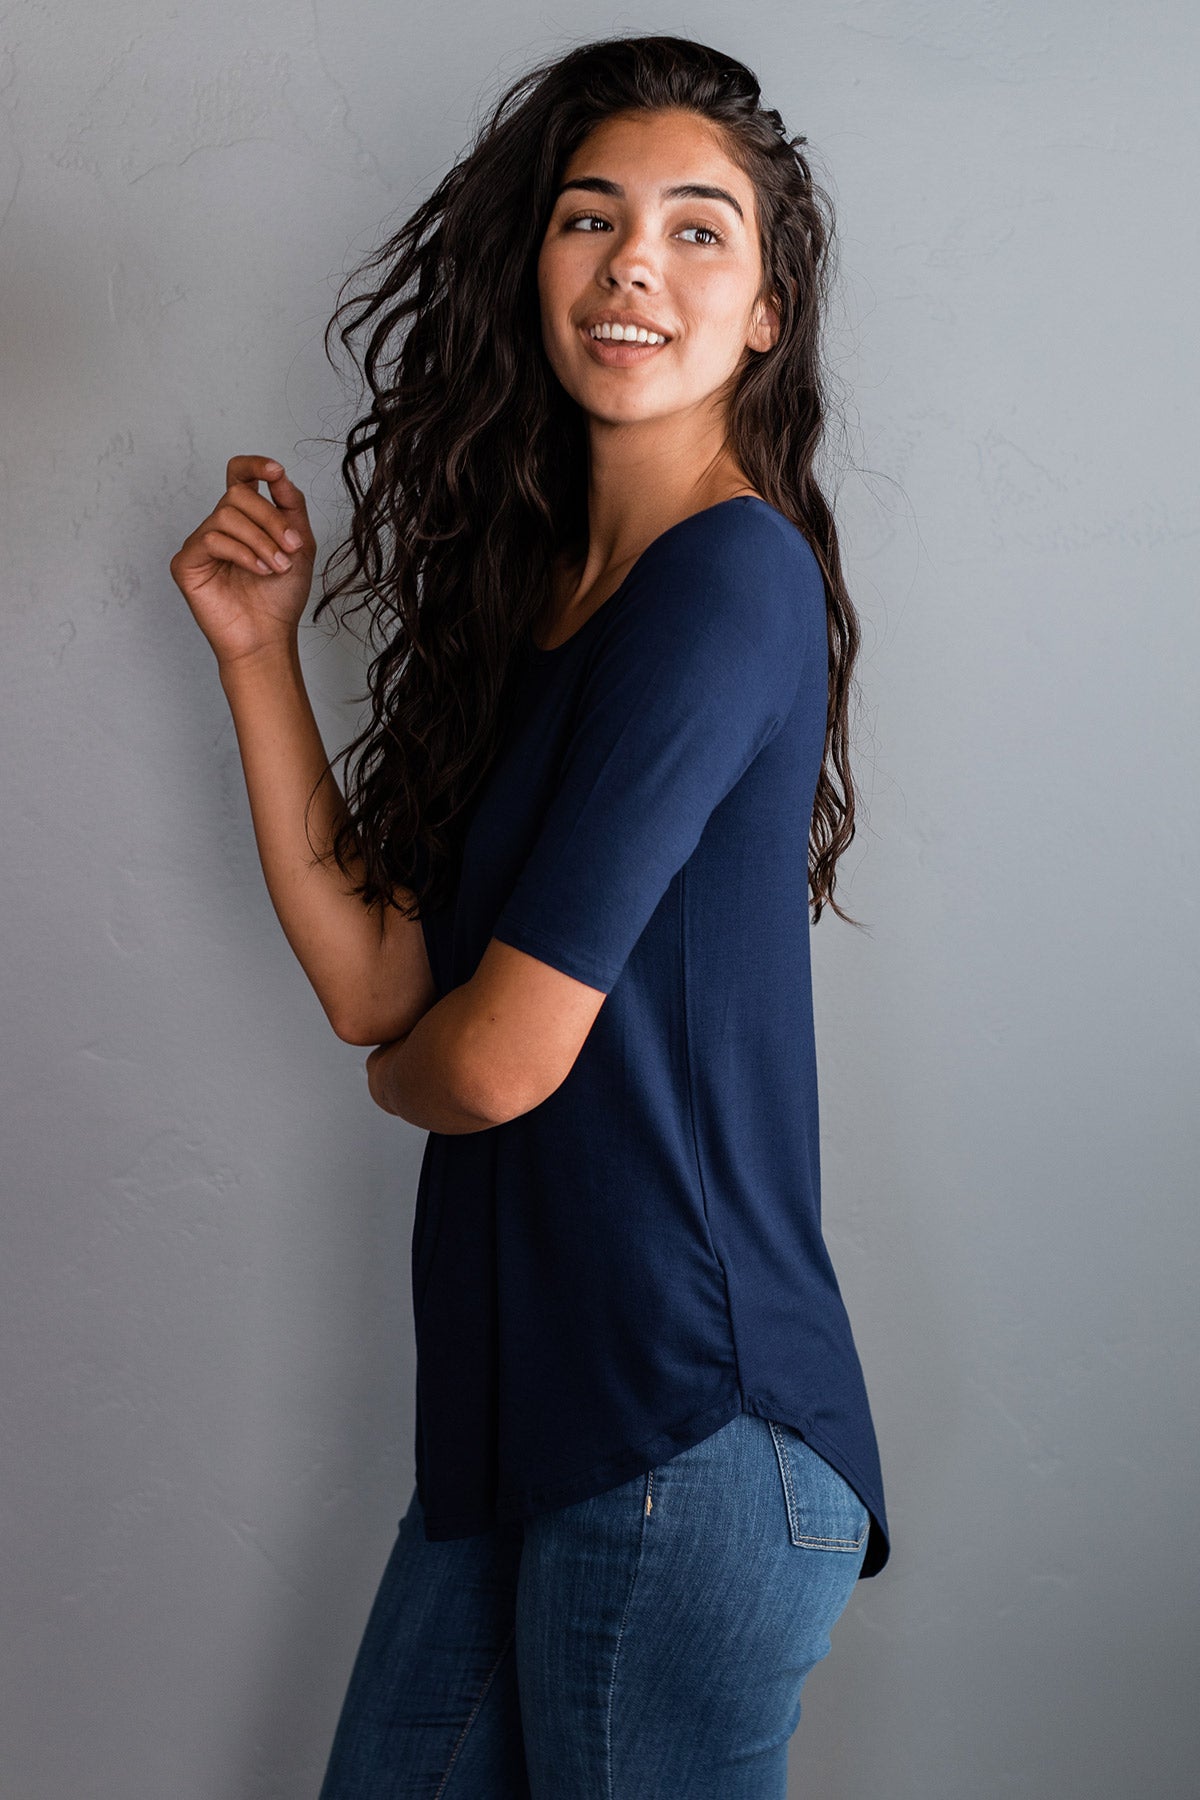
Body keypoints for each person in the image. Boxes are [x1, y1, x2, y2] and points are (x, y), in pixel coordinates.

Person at [169, 32, 891, 1799]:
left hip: (687, 1424)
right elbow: (376, 984)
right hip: (515, 1430)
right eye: (590, 218)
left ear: (768, 310)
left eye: (698, 229)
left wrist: (415, 1074)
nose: (634, 261)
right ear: (538, 267)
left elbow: (482, 1063)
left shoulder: (732, 578)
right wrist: (261, 658)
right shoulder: (537, 611)